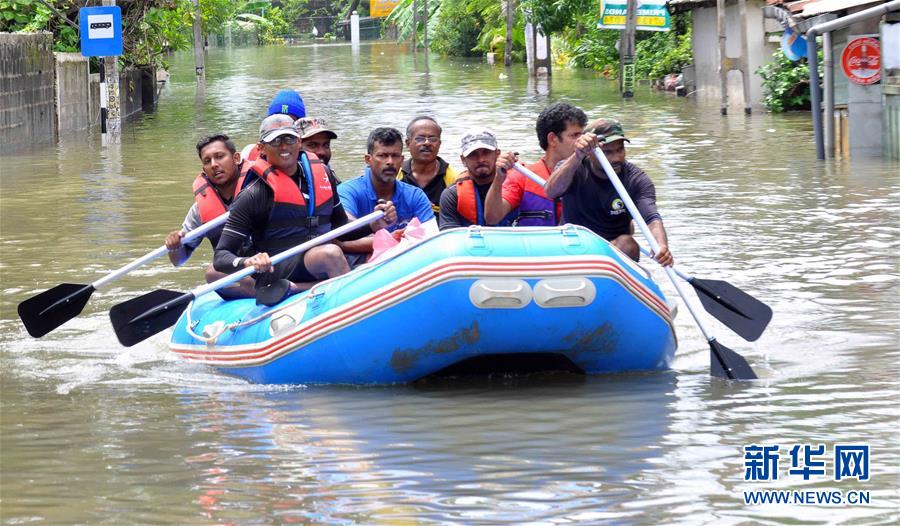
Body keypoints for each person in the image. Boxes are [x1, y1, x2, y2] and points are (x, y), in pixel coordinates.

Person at [213, 115, 397, 305]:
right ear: (261, 148)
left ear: (299, 142)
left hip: (314, 260)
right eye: (275, 141)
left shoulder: (323, 175)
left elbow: (340, 227)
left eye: (289, 139)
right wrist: (248, 262)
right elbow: (221, 256)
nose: (284, 146)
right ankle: (355, 308)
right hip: (278, 267)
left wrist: (372, 224)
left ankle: (302, 288)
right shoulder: (252, 195)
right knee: (331, 254)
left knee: (330, 253)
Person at [544, 118, 673, 266]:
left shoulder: (636, 179)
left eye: (620, 150)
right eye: (608, 152)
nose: (616, 158)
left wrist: (661, 246)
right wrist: (578, 155)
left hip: (611, 251)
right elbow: (551, 192)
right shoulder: (573, 167)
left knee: (628, 244)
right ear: (590, 153)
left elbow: (651, 218)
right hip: (573, 245)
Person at [165, 134, 255, 298]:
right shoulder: (200, 209)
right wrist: (175, 246)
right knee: (213, 273)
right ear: (204, 169)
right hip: (239, 268)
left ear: (236, 158)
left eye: (220, 157)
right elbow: (178, 261)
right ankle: (266, 290)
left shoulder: (260, 188)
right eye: (207, 161)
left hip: (271, 260)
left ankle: (281, 286)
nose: (214, 165)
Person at [484, 101, 587, 227]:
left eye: (583, 134)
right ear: (552, 139)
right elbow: (492, 218)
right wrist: (498, 178)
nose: (582, 141)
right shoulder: (522, 177)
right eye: (575, 135)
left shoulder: (590, 173)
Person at [338, 127, 437, 235]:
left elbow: (432, 237)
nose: (390, 162)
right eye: (383, 156)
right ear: (368, 159)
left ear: (402, 160)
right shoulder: (347, 191)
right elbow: (342, 233)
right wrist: (389, 237)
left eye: (395, 156)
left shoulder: (415, 195)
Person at [438, 129, 518, 230]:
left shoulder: (517, 185)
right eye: (473, 154)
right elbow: (449, 237)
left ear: (497, 154)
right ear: (463, 160)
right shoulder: (451, 195)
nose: (481, 159)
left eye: (486, 152)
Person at [396, 116, 459, 221]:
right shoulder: (396, 175)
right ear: (408, 143)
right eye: (420, 138)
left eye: (432, 139)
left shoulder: (452, 178)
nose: (427, 143)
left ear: (439, 144)